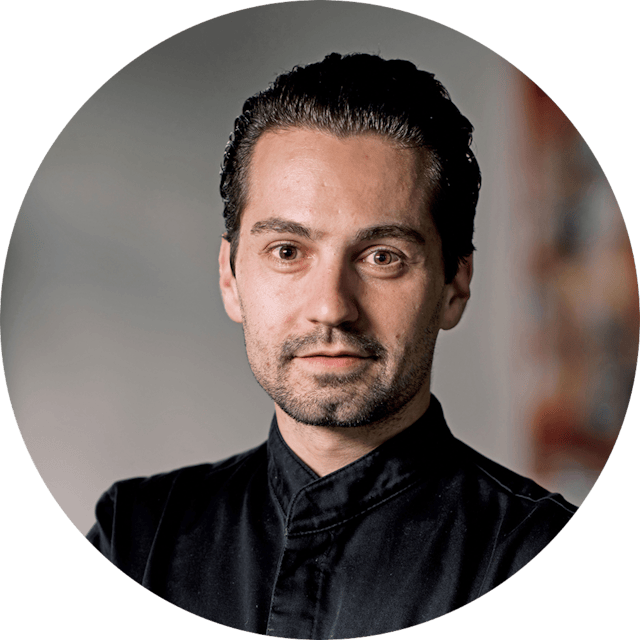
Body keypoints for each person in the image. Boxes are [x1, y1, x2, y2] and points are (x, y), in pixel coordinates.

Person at [88, 53, 576, 639]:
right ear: (230, 277)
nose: (331, 306)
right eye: (287, 251)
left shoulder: (545, 558)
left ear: (455, 285)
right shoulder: (135, 539)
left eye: (382, 257)